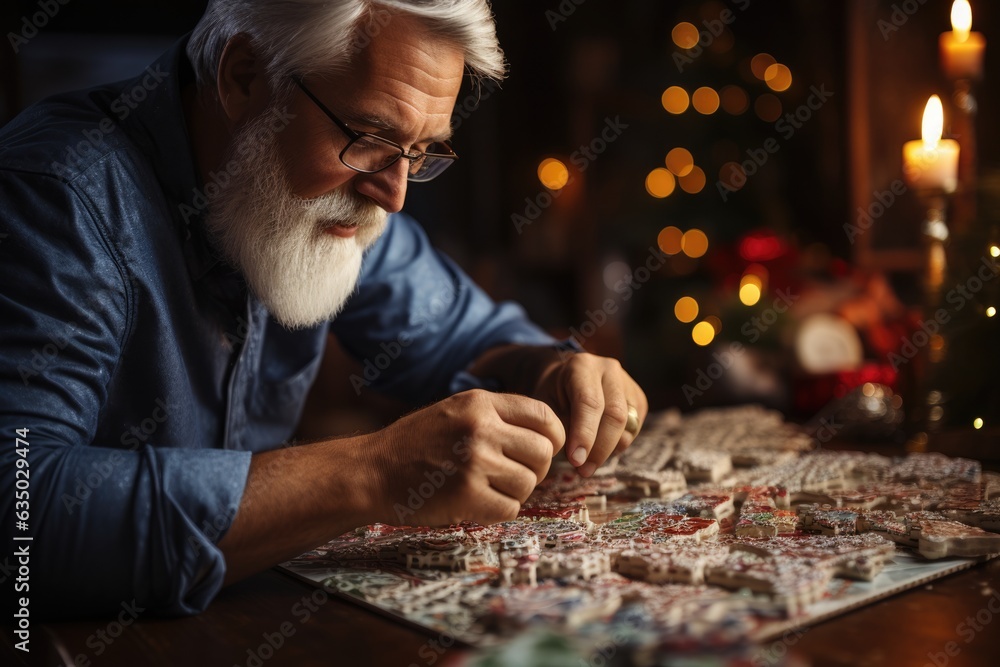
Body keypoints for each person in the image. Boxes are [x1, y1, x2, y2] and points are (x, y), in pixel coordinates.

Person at [0, 0, 646, 619]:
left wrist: (547, 367)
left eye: (421, 152)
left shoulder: (343, 188)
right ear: (244, 77)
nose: (393, 197)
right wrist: (369, 472)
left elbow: (464, 334)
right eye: (370, 136)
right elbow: (19, 518)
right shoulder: (56, 196)